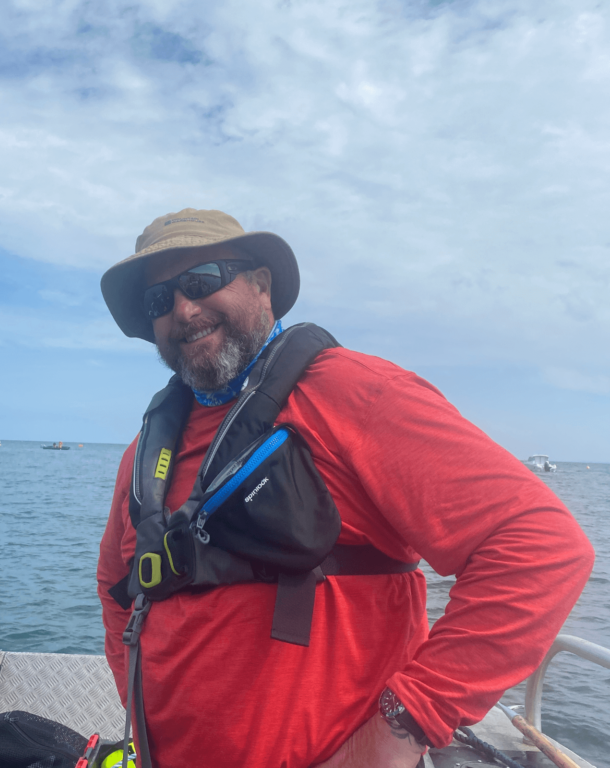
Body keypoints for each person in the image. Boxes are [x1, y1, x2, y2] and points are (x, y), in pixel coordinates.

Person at [97, 208, 593, 768]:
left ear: (262, 285)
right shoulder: (146, 454)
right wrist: (141, 714)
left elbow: (541, 546)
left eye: (202, 280)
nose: (183, 309)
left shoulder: (354, 393)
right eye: (159, 300)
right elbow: (118, 590)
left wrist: (406, 724)